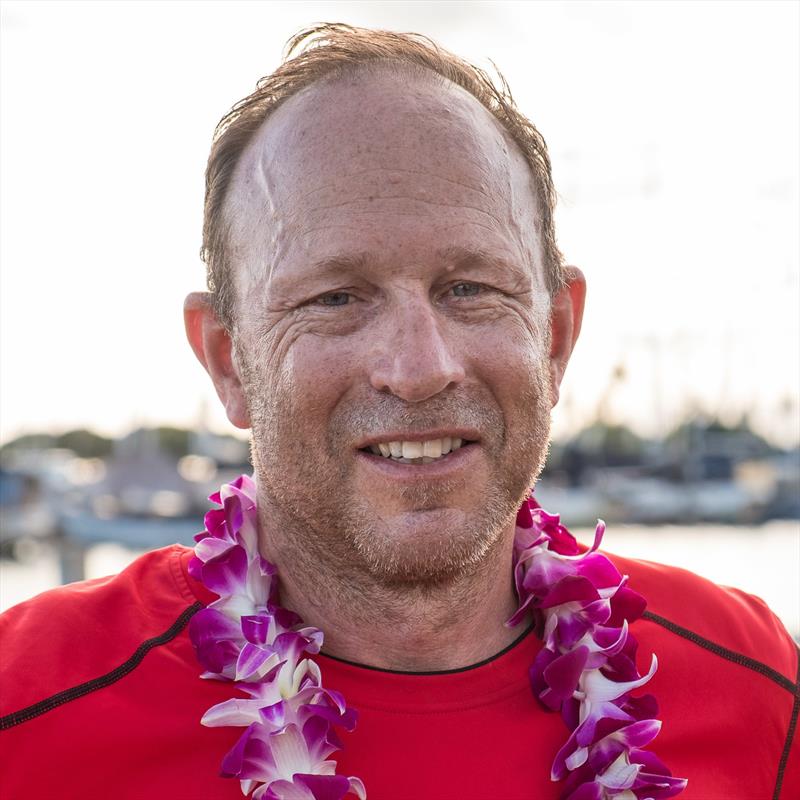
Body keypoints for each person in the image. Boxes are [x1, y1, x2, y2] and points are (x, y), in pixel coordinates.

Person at [1, 23, 797, 800]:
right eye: (336, 297)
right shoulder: (24, 708)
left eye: (471, 289)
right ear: (226, 359)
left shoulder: (757, 684)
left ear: (555, 339)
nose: (419, 369)